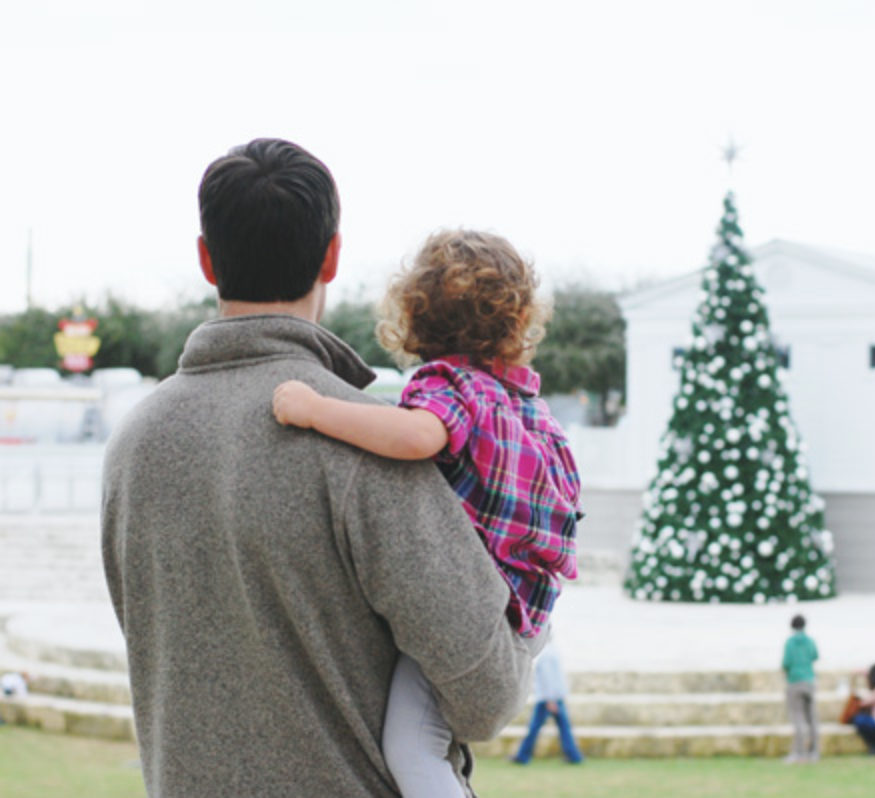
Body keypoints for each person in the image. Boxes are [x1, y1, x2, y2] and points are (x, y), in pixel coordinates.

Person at [102, 138, 543, 798]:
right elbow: (485, 696)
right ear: (332, 256)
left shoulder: (133, 445)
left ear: (205, 258)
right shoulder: (365, 442)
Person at [272, 228, 581, 796]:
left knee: (413, 749)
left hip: (479, 610)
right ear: (516, 320)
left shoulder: (449, 385)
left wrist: (317, 410)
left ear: (414, 315)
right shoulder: (522, 401)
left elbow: (417, 437)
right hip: (532, 609)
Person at [510, 637, 584, 765]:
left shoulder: (545, 656)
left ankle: (523, 755)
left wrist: (550, 699)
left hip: (547, 698)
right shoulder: (553, 653)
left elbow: (548, 679)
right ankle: (573, 755)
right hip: (555, 697)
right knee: (563, 727)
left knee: (534, 728)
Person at [781, 614, 820, 763]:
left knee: (797, 718)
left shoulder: (790, 643)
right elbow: (815, 656)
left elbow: (786, 662)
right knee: (812, 719)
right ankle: (814, 752)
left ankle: (799, 752)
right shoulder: (810, 641)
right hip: (809, 680)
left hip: (795, 680)